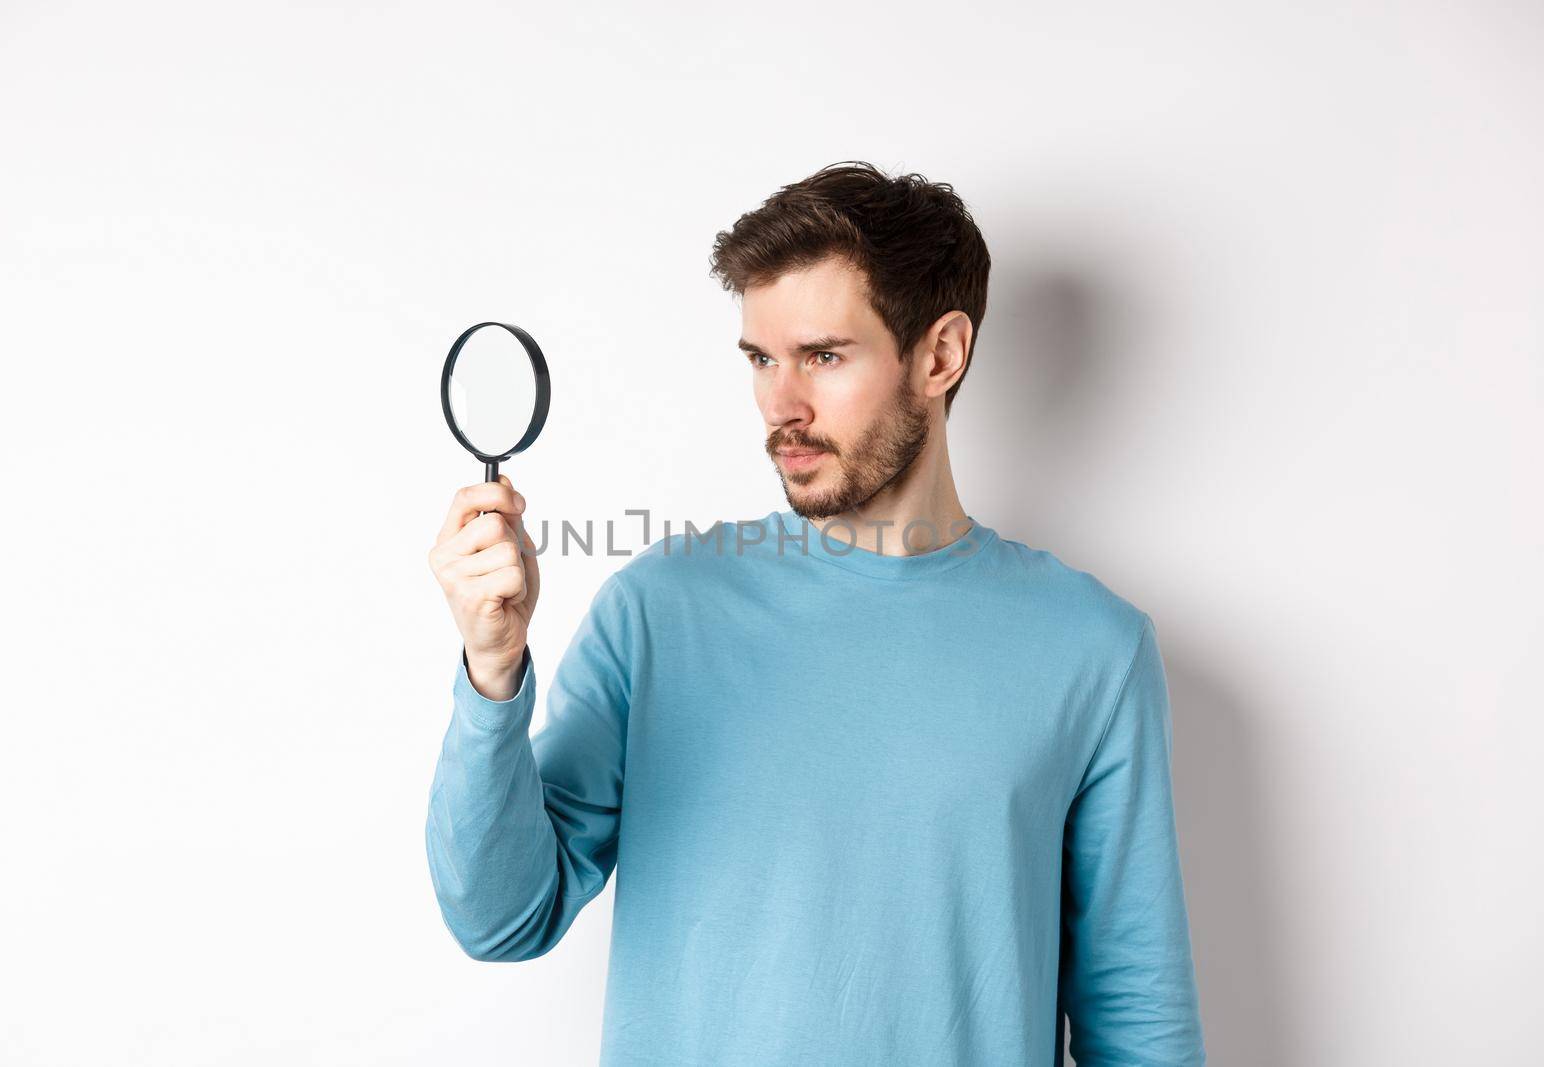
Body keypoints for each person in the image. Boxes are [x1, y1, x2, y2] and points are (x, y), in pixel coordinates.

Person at [425, 161, 1207, 1065]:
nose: (779, 407)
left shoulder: (1093, 651)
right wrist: (491, 674)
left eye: (824, 357)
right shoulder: (659, 611)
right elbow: (500, 916)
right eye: (762, 358)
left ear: (941, 355)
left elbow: (1138, 1018)